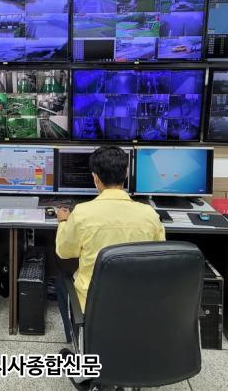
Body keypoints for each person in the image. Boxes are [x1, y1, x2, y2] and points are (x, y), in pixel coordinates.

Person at [55, 145, 166, 343]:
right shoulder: (150, 214)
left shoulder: (81, 213)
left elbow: (64, 252)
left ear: (95, 178)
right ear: (126, 173)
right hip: (139, 299)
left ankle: (77, 341)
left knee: (61, 280)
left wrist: (63, 221)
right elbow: (159, 257)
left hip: (93, 301)